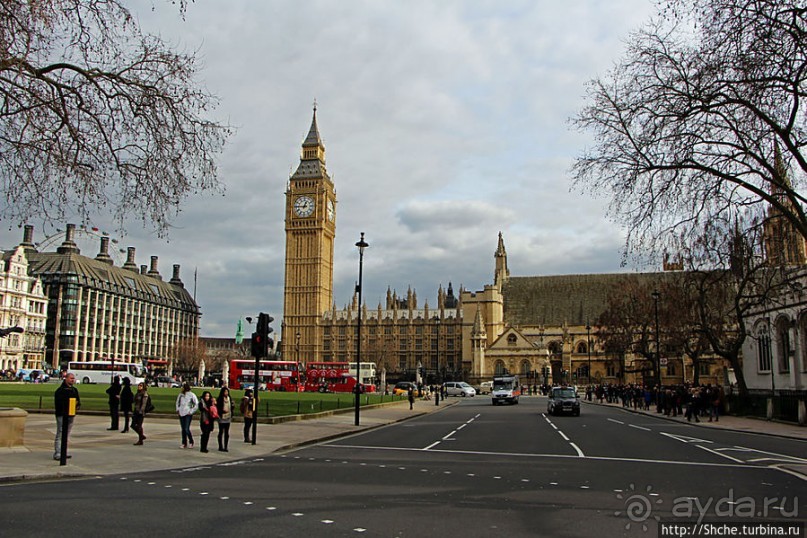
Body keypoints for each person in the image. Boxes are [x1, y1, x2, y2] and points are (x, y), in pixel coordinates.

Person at [53, 372, 80, 461]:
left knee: (67, 434)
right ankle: (58, 453)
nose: (73, 380)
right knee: (60, 433)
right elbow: (59, 403)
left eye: (73, 378)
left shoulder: (74, 390)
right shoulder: (60, 390)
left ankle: (63, 451)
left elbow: (78, 401)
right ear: (66, 379)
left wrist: (76, 406)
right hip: (62, 414)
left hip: (71, 414)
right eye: (71, 378)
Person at [175, 383, 198, 449]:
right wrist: (178, 410)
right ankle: (184, 443)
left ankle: (191, 441)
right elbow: (177, 402)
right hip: (181, 413)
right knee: (183, 429)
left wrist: (191, 411)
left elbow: (196, 404)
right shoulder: (181, 395)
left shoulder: (192, 395)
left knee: (186, 429)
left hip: (188, 413)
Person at [216, 387, 234, 452]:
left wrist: (233, 406)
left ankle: (226, 446)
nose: (226, 393)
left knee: (227, 432)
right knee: (221, 432)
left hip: (228, 416)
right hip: (221, 417)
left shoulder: (229, 398)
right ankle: (220, 446)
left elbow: (232, 407)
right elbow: (218, 408)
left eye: (227, 392)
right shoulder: (220, 399)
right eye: (225, 392)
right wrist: (222, 411)